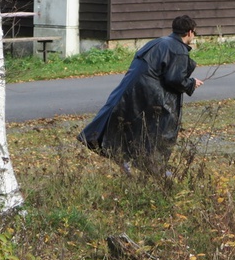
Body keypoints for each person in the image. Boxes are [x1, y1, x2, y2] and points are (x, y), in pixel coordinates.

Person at [78, 15, 203, 172]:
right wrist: (191, 83)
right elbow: (174, 79)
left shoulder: (157, 42)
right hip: (148, 94)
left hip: (129, 90)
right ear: (190, 32)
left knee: (128, 126)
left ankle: (125, 161)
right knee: (155, 131)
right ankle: (155, 168)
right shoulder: (178, 50)